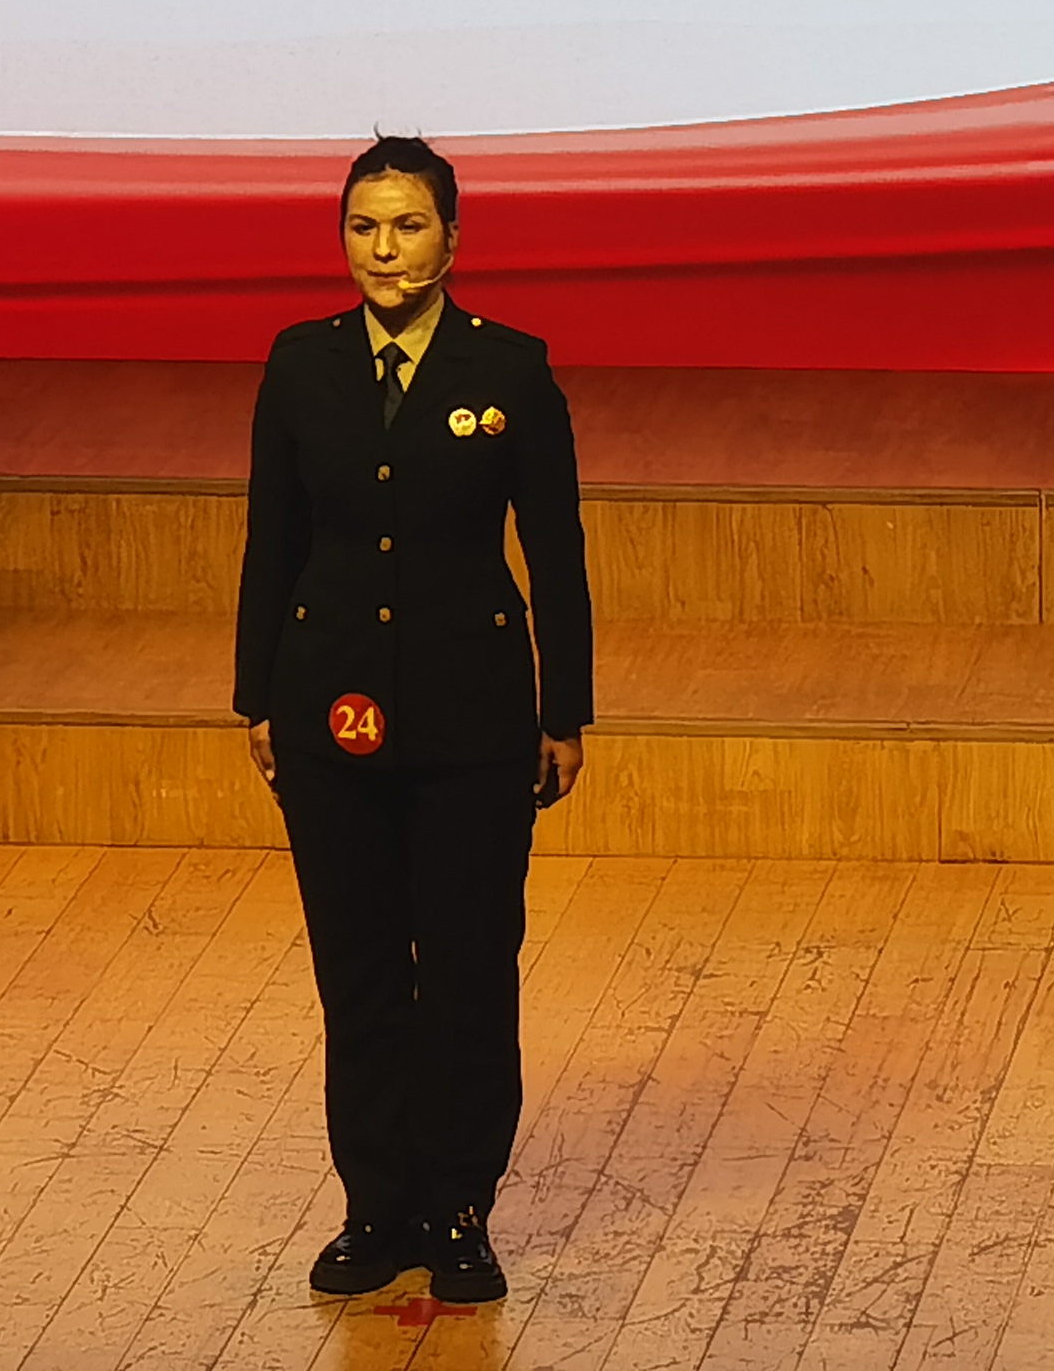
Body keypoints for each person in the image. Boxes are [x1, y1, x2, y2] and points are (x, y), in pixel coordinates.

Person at [235, 134, 592, 1307]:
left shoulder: (512, 370)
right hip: (327, 713)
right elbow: (273, 544)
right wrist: (256, 698)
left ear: (452, 239)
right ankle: (375, 1208)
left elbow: (555, 553)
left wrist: (564, 710)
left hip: (474, 721)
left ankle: (458, 1208)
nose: (382, 250)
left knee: (470, 969)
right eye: (363, 227)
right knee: (360, 972)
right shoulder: (301, 365)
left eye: (407, 226)